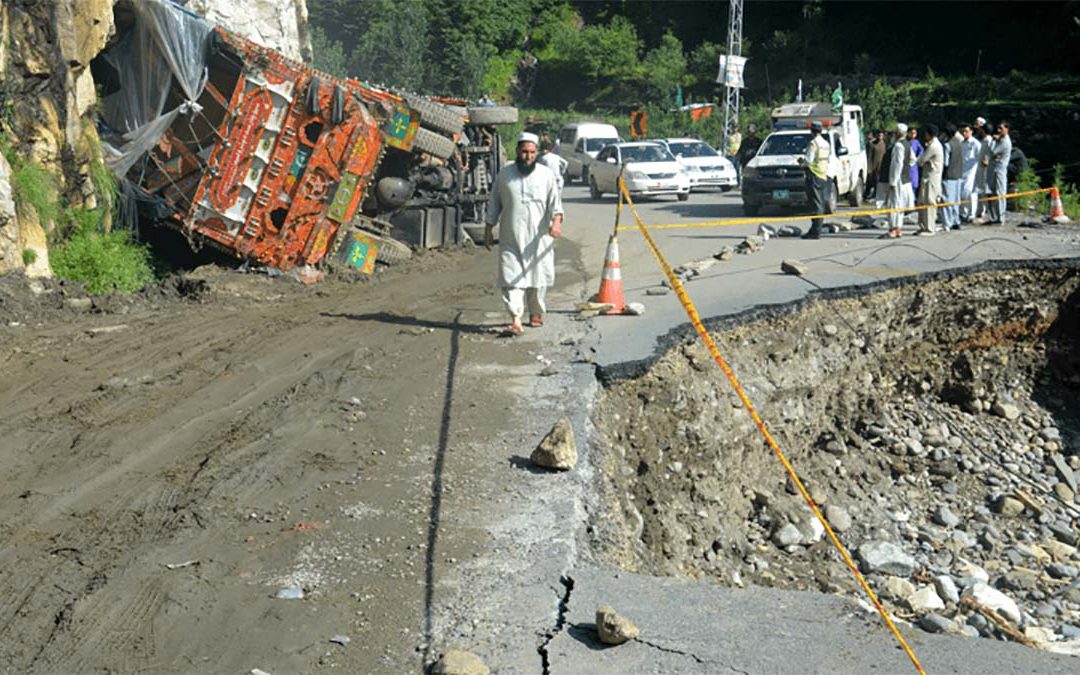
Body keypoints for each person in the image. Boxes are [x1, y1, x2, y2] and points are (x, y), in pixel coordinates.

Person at [484, 132, 564, 336]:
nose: (528, 156)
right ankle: (516, 318)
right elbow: (494, 204)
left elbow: (556, 205)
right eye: (524, 152)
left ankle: (536, 312)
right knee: (511, 278)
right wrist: (487, 229)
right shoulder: (505, 175)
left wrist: (556, 224)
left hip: (539, 238)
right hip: (510, 237)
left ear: (536, 153)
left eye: (531, 152)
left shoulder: (546, 175)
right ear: (517, 151)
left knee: (538, 278)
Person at [798, 120, 830, 239]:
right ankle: (816, 229)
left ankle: (815, 231)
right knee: (820, 203)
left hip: (813, 175)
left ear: (812, 131)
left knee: (815, 204)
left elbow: (809, 161)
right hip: (823, 175)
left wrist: (802, 162)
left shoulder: (813, 144)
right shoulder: (826, 143)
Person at [884, 123, 915, 238]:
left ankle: (894, 228)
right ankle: (899, 228)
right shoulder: (907, 144)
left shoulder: (898, 146)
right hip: (906, 178)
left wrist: (893, 181)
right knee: (900, 204)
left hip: (898, 180)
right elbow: (912, 160)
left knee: (894, 204)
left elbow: (897, 164)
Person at [916, 124, 944, 235]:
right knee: (922, 202)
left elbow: (921, 160)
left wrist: (918, 159)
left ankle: (930, 228)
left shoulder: (934, 146)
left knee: (930, 202)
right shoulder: (931, 144)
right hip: (927, 177)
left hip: (932, 178)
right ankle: (923, 226)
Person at [985, 121, 1012, 224]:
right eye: (998, 128)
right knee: (993, 192)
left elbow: (993, 151)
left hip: (1000, 170)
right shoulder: (1001, 140)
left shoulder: (1005, 142)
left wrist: (993, 141)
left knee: (1000, 193)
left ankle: (1001, 217)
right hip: (994, 168)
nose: (998, 130)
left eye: (1001, 128)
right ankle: (995, 216)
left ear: (1007, 129)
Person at [942, 123, 964, 230]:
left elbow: (945, 163)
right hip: (958, 175)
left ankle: (948, 222)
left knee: (947, 201)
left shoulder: (947, 145)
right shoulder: (959, 143)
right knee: (956, 200)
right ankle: (956, 220)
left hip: (949, 176)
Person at [959, 123, 980, 223]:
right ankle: (963, 213)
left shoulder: (975, 143)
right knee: (963, 192)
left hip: (972, 171)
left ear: (971, 132)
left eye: (966, 131)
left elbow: (980, 157)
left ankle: (971, 214)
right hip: (962, 171)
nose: (964, 133)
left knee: (970, 192)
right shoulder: (962, 143)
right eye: (963, 131)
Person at [974, 123, 993, 221]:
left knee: (985, 190)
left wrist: (988, 160)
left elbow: (991, 152)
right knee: (980, 189)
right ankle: (979, 210)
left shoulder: (989, 140)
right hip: (981, 168)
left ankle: (984, 211)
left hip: (985, 168)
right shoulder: (983, 141)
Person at [867, 129, 887, 200]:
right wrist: (869, 168)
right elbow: (869, 157)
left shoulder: (884, 144)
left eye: (881, 135)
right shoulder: (872, 144)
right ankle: (870, 195)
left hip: (881, 166)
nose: (880, 136)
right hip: (873, 166)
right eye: (879, 135)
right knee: (873, 181)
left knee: (879, 182)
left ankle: (878, 195)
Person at [907, 126, 924, 193]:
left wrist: (918, 158)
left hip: (914, 165)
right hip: (906, 165)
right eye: (912, 133)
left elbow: (921, 150)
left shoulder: (916, 142)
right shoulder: (905, 142)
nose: (913, 134)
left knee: (914, 182)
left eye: (915, 133)